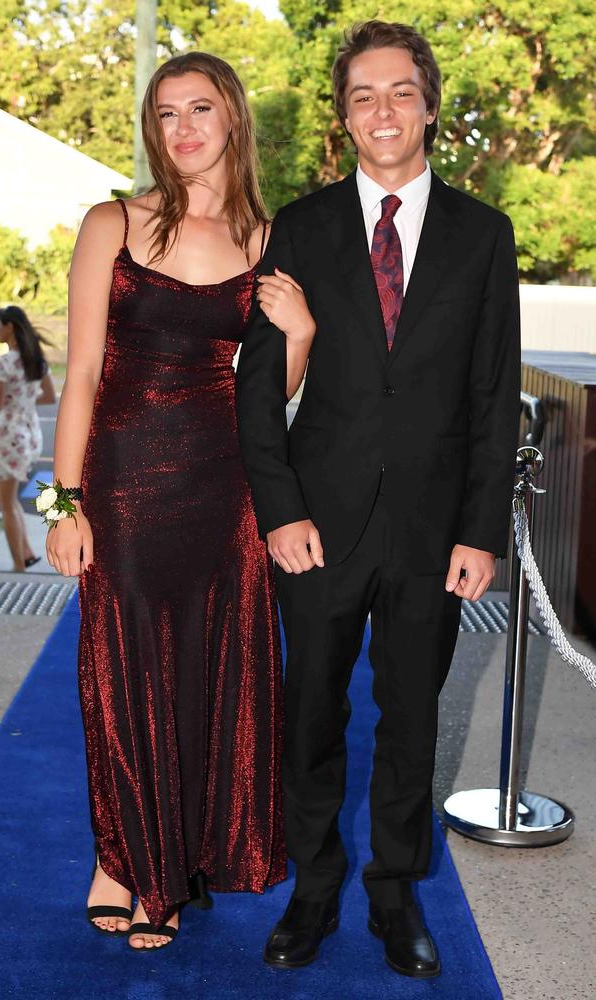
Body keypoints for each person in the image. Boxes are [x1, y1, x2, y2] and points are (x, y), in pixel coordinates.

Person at [236, 20, 520, 979]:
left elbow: (492, 392)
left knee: (410, 717)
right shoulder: (301, 226)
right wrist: (279, 510)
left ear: (431, 104)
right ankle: (312, 890)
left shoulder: (485, 235)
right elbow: (258, 383)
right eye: (363, 96)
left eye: (400, 91)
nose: (383, 111)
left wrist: (481, 531)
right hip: (317, 523)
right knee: (311, 712)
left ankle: (394, 894)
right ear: (344, 119)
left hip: (433, 533)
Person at [46, 52, 314, 950]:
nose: (184, 128)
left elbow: (269, 393)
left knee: (206, 676)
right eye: (166, 113)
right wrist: (64, 504)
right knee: (121, 675)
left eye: (201, 109)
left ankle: (169, 865)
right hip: (120, 484)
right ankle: (122, 859)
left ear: (233, 118)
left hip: (221, 485)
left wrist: (302, 332)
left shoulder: (270, 239)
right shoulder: (112, 221)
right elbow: (80, 374)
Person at [0, 305, 56, 571]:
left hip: (8, 436)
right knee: (11, 497)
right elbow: (49, 397)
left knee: (4, 502)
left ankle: (18, 566)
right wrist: (23, 400)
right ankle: (25, 552)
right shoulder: (37, 359)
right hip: (30, 434)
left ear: (10, 327)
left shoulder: (3, 363)